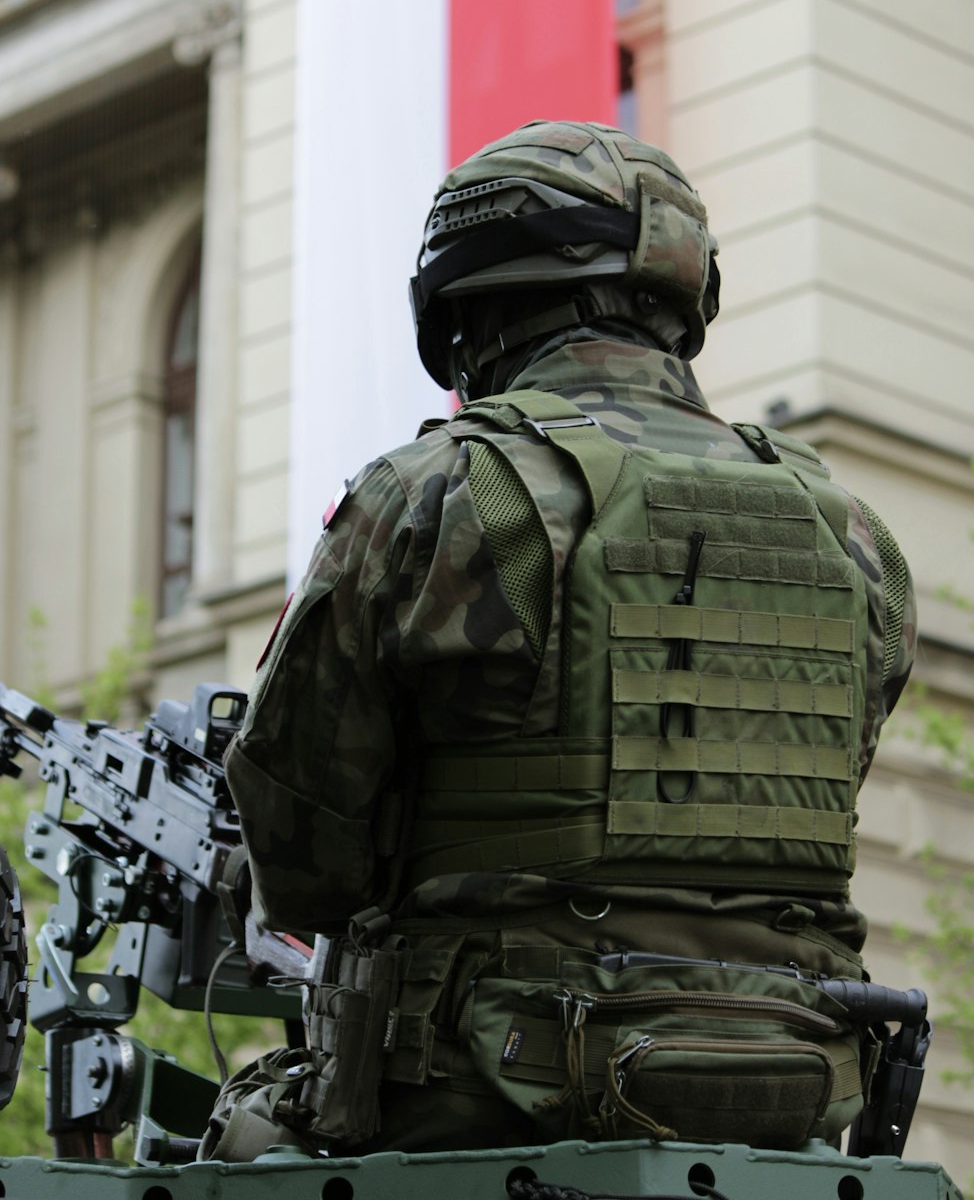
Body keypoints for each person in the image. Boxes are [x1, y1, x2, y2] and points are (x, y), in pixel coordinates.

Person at [224, 120, 915, 1156]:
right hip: (793, 1086)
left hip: (481, 1090)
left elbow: (310, 854)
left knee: (236, 1142)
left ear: (470, 309)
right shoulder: (848, 530)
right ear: (687, 304)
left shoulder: (435, 495)